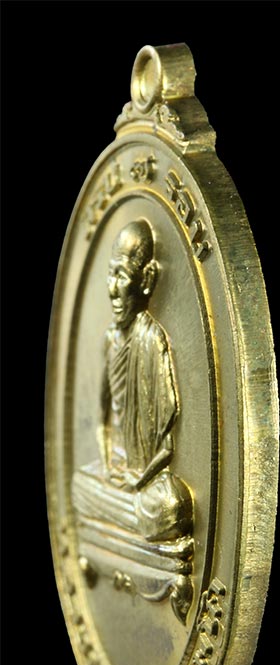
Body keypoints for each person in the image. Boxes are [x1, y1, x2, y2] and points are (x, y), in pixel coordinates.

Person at [72, 219, 192, 542]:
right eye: (110, 274)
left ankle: (133, 519)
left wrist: (137, 482)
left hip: (146, 479)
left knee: (171, 507)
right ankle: (132, 521)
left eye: (122, 276)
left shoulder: (152, 340)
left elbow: (167, 448)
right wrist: (108, 467)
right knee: (79, 484)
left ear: (146, 279)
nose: (112, 289)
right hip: (117, 475)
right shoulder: (110, 339)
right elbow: (102, 419)